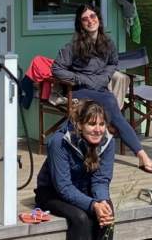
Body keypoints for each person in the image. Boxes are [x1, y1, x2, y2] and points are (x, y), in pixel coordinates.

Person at [52, 3, 152, 173]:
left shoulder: (108, 43)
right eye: (85, 19)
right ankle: (142, 156)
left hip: (101, 90)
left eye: (93, 16)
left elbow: (113, 63)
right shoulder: (74, 46)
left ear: (98, 19)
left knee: (111, 106)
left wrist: (105, 77)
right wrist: (80, 78)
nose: (90, 21)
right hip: (81, 90)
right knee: (112, 106)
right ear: (80, 24)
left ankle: (137, 153)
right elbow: (57, 69)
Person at [35, 100, 116, 240]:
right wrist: (92, 205)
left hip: (85, 188)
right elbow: (64, 187)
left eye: (101, 124)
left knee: (107, 211)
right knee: (81, 218)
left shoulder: (108, 141)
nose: (98, 130)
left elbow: (101, 179)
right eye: (91, 124)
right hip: (53, 192)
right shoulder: (59, 142)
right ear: (79, 125)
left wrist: (101, 200)